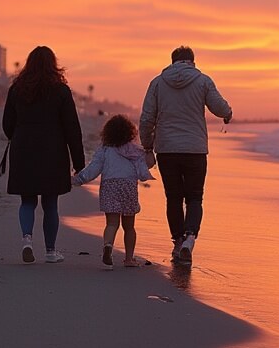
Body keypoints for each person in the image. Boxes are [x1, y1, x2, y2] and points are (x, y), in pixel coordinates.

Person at [140, 45, 232, 264]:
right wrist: (228, 113)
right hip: (195, 150)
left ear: (172, 61)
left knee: (173, 197)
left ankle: (178, 242)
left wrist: (147, 148)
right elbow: (219, 107)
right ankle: (190, 238)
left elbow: (146, 119)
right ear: (193, 62)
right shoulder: (202, 81)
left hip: (167, 150)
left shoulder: (158, 83)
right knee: (194, 197)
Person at [2, 46, 85, 263]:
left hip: (23, 150)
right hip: (53, 151)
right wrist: (79, 162)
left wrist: (19, 135)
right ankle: (50, 251)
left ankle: (27, 240)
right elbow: (72, 129)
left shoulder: (17, 89)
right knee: (50, 203)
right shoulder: (60, 90)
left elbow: (7, 124)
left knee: (27, 200)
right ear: (53, 64)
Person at [71, 114, 155, 270]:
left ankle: (108, 245)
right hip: (128, 187)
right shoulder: (134, 150)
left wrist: (78, 179)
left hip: (110, 186)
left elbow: (93, 169)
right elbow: (143, 171)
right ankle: (129, 259)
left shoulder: (104, 150)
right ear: (130, 133)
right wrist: (149, 165)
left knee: (112, 223)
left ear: (107, 132)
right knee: (129, 227)